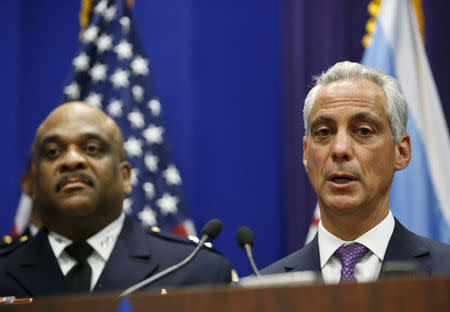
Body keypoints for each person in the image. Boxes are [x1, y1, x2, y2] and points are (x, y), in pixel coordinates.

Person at [0, 102, 232, 297]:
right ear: (34, 185)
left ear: (125, 177)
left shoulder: (197, 271)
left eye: (91, 148)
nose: (71, 160)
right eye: (52, 152)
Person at [261, 61, 450, 283]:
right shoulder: (262, 291)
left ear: (401, 152)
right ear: (305, 153)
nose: (340, 149)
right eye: (324, 132)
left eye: (363, 131)